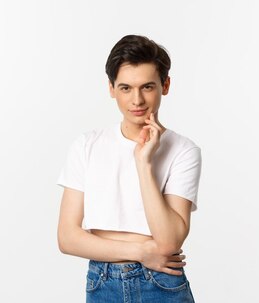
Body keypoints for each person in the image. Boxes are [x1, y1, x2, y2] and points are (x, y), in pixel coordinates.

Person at [56, 34, 201, 302]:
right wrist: (142, 250)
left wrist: (144, 163)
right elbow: (67, 237)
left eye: (147, 87)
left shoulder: (183, 150)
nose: (137, 100)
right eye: (125, 88)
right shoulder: (87, 145)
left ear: (165, 85)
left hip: (161, 283)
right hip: (103, 282)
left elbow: (169, 242)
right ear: (111, 88)